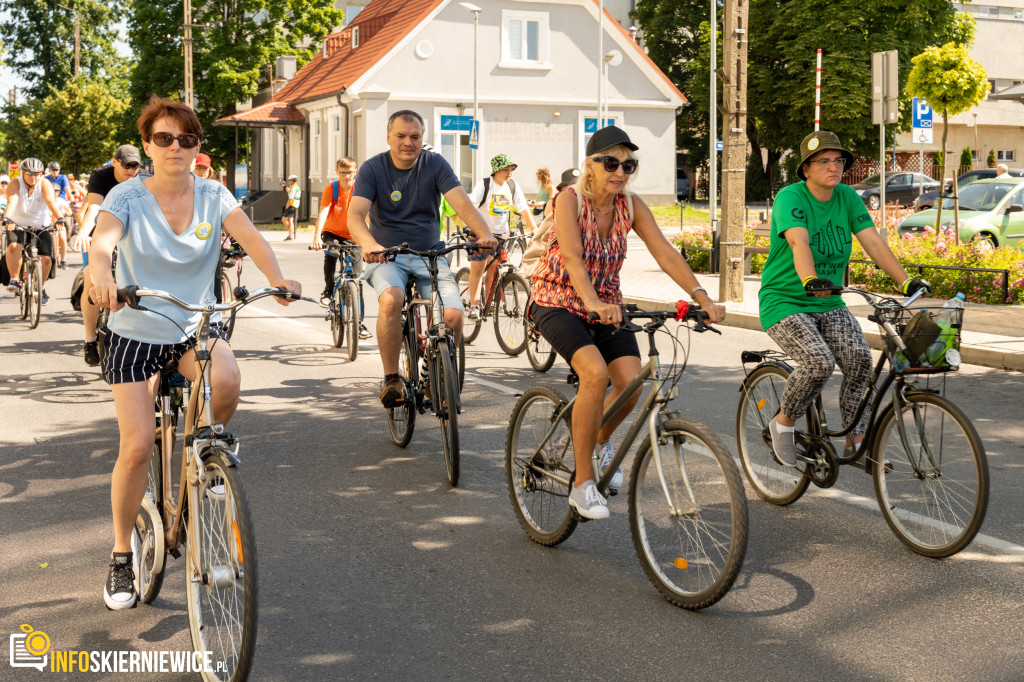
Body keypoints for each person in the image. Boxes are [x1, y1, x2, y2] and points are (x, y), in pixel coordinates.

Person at [88, 97, 301, 610]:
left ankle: (206, 453)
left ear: (197, 147)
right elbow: (102, 242)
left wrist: (277, 279)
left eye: (186, 139)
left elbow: (250, 236)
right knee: (137, 446)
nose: (176, 147)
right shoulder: (126, 195)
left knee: (225, 379)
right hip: (135, 329)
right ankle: (121, 555)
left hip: (190, 325)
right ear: (147, 145)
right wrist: (101, 273)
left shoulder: (213, 193)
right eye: (164, 139)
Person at [529, 125, 725, 520]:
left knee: (633, 385)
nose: (620, 172)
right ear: (590, 166)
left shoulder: (630, 206)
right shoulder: (569, 201)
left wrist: (700, 296)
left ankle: (598, 442)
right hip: (557, 301)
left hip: (609, 307)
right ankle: (582, 483)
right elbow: (571, 257)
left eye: (628, 164)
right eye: (611, 163)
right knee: (595, 374)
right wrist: (593, 303)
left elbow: (665, 254)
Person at [759, 130, 928, 468]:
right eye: (824, 161)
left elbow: (874, 243)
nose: (833, 167)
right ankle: (783, 423)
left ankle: (856, 436)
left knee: (860, 361)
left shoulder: (848, 197)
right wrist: (810, 279)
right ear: (806, 168)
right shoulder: (791, 198)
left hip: (830, 300)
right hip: (785, 301)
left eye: (838, 161)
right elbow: (799, 243)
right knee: (818, 363)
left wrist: (906, 281)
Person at [347, 109, 497, 407]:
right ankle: (391, 378)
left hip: (430, 254)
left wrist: (484, 234)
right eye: (401, 136)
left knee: (453, 316)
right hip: (386, 256)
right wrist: (368, 243)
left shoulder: (435, 164)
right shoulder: (373, 169)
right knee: (392, 299)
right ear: (388, 137)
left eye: (415, 137)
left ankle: (432, 373)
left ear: (422, 138)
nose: (408, 142)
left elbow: (462, 204)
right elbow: (355, 215)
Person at [75, 144, 143, 367]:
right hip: (101, 230)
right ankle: (89, 339)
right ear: (114, 162)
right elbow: (94, 207)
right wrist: (84, 233)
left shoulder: (140, 181)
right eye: (127, 165)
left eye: (136, 166)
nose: (131, 171)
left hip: (128, 233)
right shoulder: (100, 176)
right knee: (92, 281)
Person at [466, 154, 538, 319]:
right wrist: (475, 228)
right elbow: (473, 206)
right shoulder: (484, 185)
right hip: (481, 233)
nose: (509, 173)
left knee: (493, 268)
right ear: (496, 170)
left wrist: (534, 229)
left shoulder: (512, 186)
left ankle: (489, 302)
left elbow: (523, 208)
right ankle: (474, 305)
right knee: (478, 269)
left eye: (511, 169)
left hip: (501, 235)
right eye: (506, 169)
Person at [311, 156, 372, 339]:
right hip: (332, 234)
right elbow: (323, 212)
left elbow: (366, 214)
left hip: (354, 235)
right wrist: (316, 238)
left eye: (350, 172)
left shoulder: (360, 189)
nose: (347, 176)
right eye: (343, 172)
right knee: (331, 254)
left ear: (355, 171)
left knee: (356, 280)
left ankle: (359, 323)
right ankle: (328, 291)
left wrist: (370, 238)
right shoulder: (332, 189)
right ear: (337, 172)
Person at [4, 157, 64, 305]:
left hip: (41, 224)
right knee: (14, 247)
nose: (34, 177)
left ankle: (41, 287)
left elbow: (50, 201)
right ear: (23, 172)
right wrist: (7, 219)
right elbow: (12, 202)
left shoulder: (44, 183)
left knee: (47, 258)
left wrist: (60, 218)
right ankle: (15, 280)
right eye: (30, 174)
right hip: (18, 224)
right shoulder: (15, 183)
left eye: (37, 174)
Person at [282, 174, 301, 240]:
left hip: (292, 206)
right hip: (295, 205)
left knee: (284, 220)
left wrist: (286, 207)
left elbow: (290, 199)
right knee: (290, 220)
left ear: (292, 181)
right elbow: (289, 191)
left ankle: (291, 232)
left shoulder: (294, 188)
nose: (289, 182)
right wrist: (285, 186)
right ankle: (290, 235)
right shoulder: (295, 187)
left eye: (289, 181)